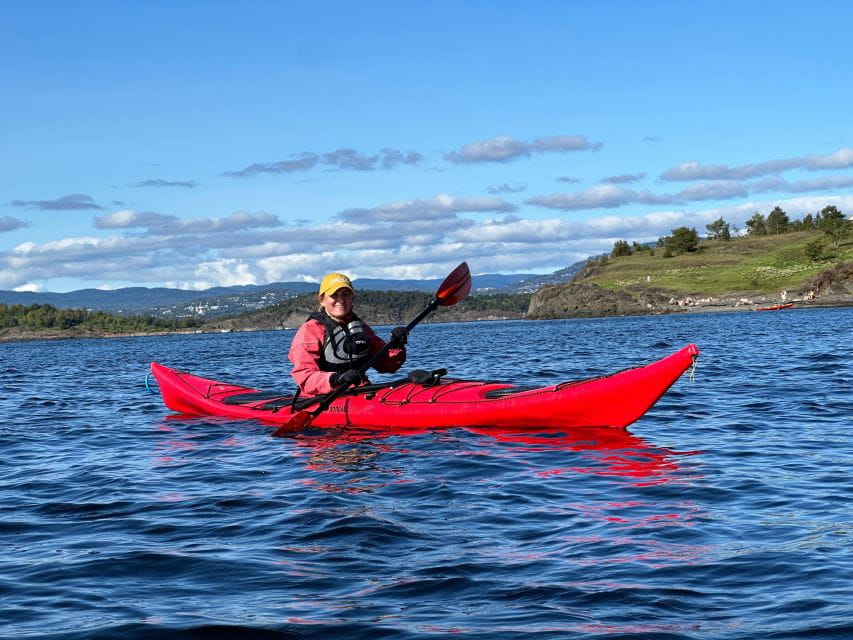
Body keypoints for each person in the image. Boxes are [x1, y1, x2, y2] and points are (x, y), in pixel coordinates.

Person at [288, 272, 408, 397]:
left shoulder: (360, 327)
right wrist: (336, 379)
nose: (341, 300)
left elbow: (386, 365)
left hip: (359, 392)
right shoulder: (310, 330)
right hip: (323, 399)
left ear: (352, 298)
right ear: (322, 300)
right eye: (334, 295)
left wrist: (396, 345)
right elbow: (305, 376)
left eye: (346, 294)